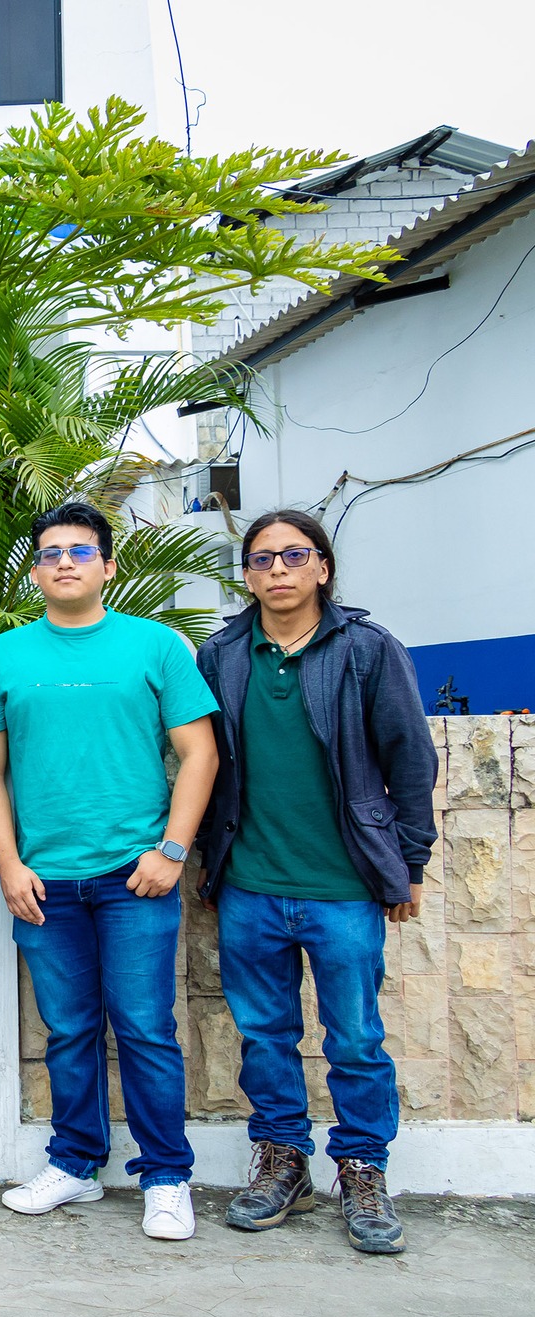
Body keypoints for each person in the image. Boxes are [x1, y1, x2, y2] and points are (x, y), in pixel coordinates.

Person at [0, 501, 219, 1242]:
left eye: (80, 551)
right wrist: (9, 865)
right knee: (69, 1030)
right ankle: (75, 1164)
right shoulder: (3, 656)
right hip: (44, 881)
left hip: (134, 876)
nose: (64, 562)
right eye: (50, 553)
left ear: (108, 566)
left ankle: (166, 1177)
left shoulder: (156, 646)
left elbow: (199, 753)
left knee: (145, 1029)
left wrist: (172, 850)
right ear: (35, 572)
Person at [196, 509, 437, 1255]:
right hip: (250, 884)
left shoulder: (366, 648)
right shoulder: (222, 655)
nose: (278, 569)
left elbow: (410, 756)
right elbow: (203, 761)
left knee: (356, 1038)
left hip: (344, 887)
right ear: (246, 576)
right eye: (261, 558)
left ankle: (363, 1169)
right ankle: (283, 1163)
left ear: (323, 567)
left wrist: (410, 863)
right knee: (265, 1036)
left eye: (294, 555)